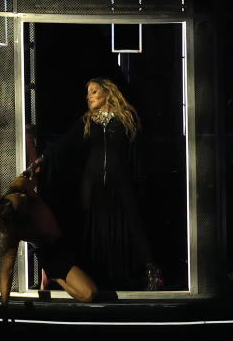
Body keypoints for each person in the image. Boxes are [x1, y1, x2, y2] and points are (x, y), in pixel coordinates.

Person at [38, 77, 162, 290]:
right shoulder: (87, 121)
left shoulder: (126, 119)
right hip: (93, 182)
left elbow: (138, 153)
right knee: (91, 226)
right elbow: (65, 144)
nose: (90, 96)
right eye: (88, 93)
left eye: (94, 91)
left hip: (121, 179)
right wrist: (42, 159)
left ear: (107, 92)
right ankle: (87, 275)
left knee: (133, 222)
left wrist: (141, 181)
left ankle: (152, 271)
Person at [0, 163, 97, 305]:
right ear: (19, 217)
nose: (25, 197)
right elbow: (7, 270)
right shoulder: (12, 233)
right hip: (53, 253)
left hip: (69, 229)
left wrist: (41, 163)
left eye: (21, 195)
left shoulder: (19, 186)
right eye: (23, 202)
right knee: (89, 294)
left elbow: (39, 165)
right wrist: (4, 308)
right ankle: (55, 277)